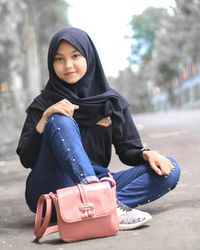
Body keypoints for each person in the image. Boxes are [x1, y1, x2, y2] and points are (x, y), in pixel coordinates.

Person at [16, 27, 181, 231]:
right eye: (59, 59)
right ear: (52, 63)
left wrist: (147, 154)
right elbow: (27, 159)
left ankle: (99, 207)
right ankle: (103, 204)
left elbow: (128, 150)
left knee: (170, 168)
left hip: (99, 180)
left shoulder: (112, 102)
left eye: (75, 56)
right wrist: (45, 119)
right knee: (61, 121)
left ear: (89, 56)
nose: (67, 65)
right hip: (52, 188)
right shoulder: (44, 104)